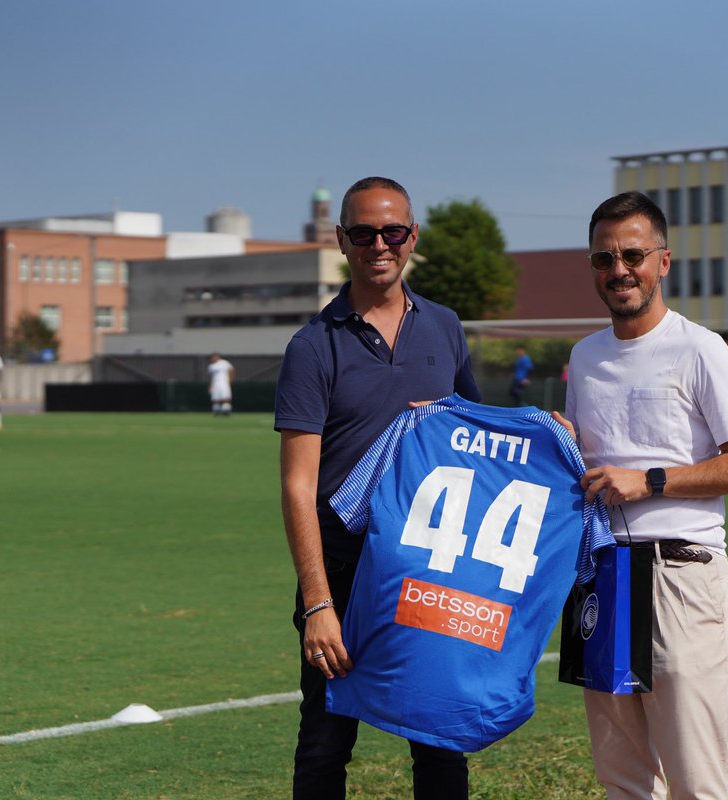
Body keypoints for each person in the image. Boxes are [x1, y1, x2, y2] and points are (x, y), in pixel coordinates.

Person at [274, 176, 481, 799]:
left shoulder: (445, 326)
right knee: (325, 746)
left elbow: (475, 437)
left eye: (392, 232)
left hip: (427, 569)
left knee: (440, 743)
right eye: (364, 234)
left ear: (412, 236)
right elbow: (297, 485)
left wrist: (546, 430)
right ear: (341, 240)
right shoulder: (312, 346)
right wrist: (318, 604)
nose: (379, 245)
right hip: (344, 575)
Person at [556, 192, 728, 800]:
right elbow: (590, 461)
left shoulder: (702, 348)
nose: (619, 270)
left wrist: (648, 479)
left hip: (679, 574)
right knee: (621, 779)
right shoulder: (584, 356)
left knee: (695, 780)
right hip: (600, 576)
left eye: (633, 255)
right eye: (604, 259)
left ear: (663, 261)